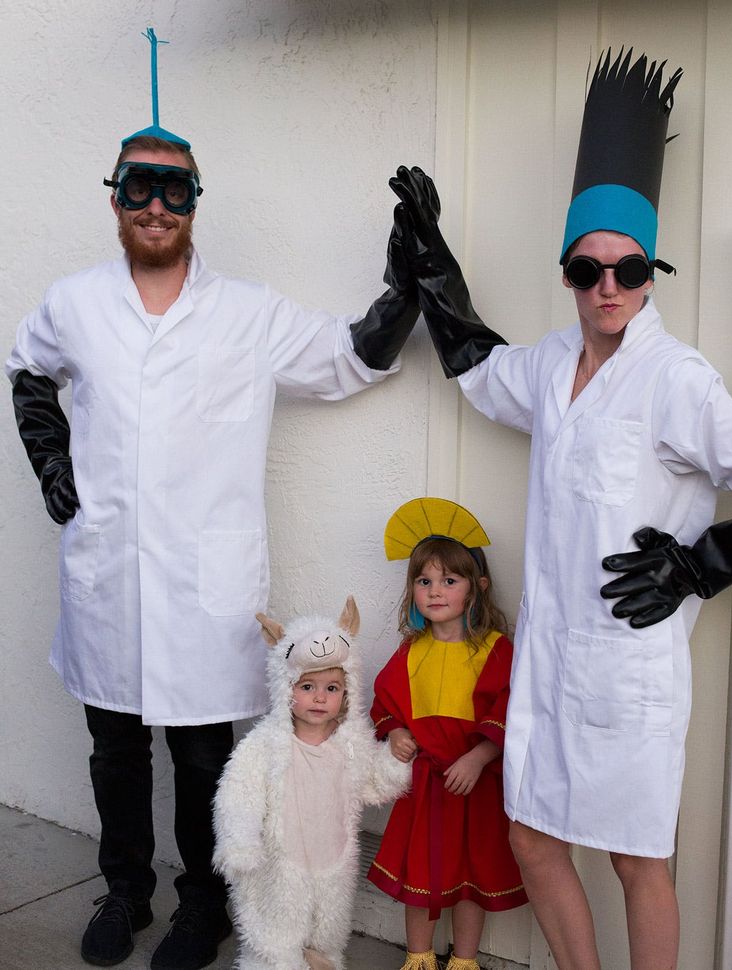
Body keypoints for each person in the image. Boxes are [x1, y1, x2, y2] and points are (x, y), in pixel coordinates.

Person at [5, 30, 420, 970]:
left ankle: (203, 904)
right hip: (107, 575)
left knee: (203, 761)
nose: (156, 203)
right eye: (139, 185)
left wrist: (408, 279)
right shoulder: (74, 302)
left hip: (207, 588)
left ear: (196, 204)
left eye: (175, 188)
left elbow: (353, 357)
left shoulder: (246, 313)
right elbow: (26, 368)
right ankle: (124, 891)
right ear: (114, 198)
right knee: (114, 752)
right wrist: (50, 459)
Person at [388, 49, 732, 970]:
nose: (608, 287)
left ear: (650, 272)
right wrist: (433, 266)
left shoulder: (678, 379)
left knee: (637, 859)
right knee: (537, 840)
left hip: (628, 670)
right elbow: (474, 363)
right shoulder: (547, 366)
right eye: (587, 271)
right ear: (568, 273)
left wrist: (706, 562)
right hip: (547, 669)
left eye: (627, 269)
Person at [368, 497, 527, 970]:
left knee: (470, 877)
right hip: (425, 787)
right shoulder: (411, 649)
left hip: (473, 785)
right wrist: (394, 731)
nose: (435, 591)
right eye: (424, 580)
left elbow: (510, 706)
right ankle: (418, 958)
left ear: (476, 588)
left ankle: (464, 960)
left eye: (449, 580)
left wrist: (479, 756)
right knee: (421, 874)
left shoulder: (495, 649)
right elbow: (384, 701)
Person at [212, 596, 410, 970]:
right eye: (307, 687)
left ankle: (321, 958)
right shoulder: (267, 744)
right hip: (281, 859)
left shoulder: (350, 743)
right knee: (277, 927)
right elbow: (239, 791)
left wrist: (396, 761)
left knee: (327, 926)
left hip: (331, 856)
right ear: (286, 688)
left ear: (347, 692)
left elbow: (373, 784)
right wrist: (240, 839)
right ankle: (273, 961)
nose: (319, 697)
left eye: (332, 688)